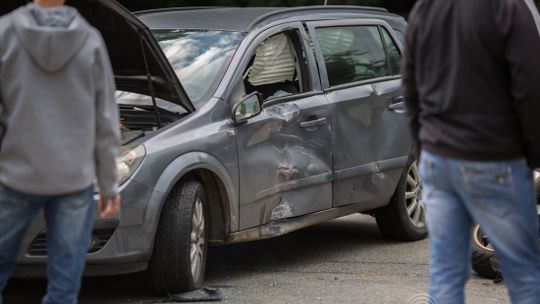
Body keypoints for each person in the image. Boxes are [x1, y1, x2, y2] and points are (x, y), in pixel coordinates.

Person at [402, 0, 540, 303]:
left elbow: (410, 88)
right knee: (524, 274)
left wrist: (426, 149)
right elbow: (531, 86)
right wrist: (533, 154)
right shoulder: (510, 7)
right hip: (496, 158)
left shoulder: (426, 8)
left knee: (445, 273)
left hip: (439, 160)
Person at [0, 0, 121, 303]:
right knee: (64, 287)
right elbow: (105, 119)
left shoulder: (4, 33)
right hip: (72, 180)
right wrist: (108, 184)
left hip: (16, 176)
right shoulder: (91, 40)